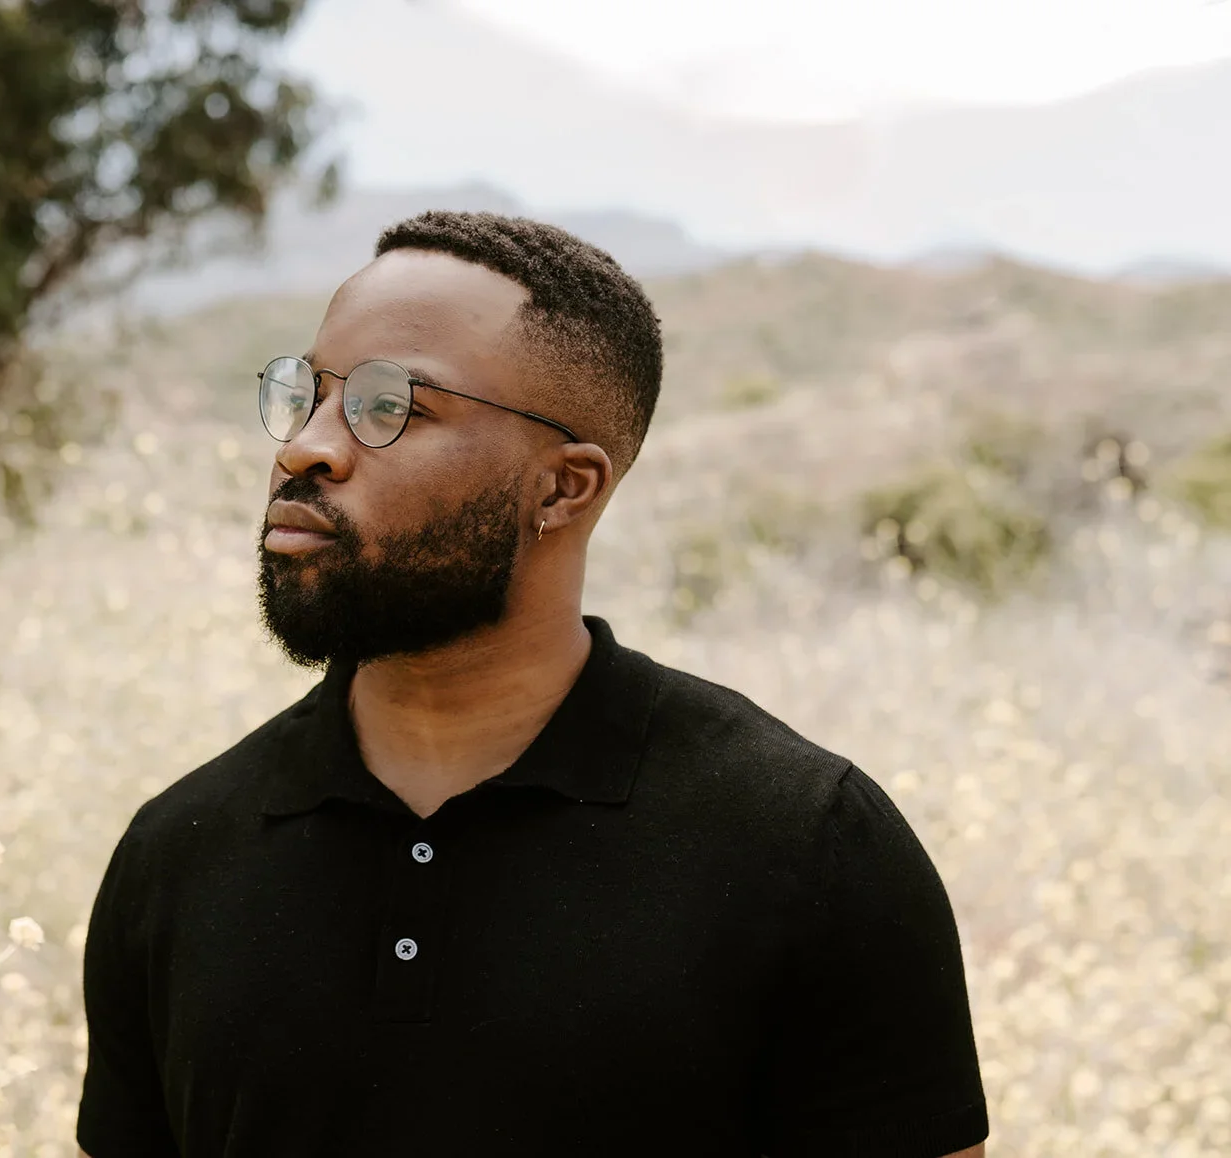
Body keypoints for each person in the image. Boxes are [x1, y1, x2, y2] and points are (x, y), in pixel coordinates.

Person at [75, 211, 990, 1158]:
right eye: (306, 393)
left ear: (564, 489)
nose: (307, 447)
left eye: (390, 408)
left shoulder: (807, 844)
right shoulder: (178, 851)